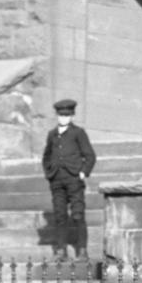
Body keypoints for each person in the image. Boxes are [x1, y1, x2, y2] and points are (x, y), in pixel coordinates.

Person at [39, 98, 97, 258]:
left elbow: (90, 155)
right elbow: (46, 156)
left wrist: (83, 172)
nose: (63, 118)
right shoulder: (52, 134)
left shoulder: (78, 133)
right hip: (57, 180)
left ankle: (82, 249)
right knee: (60, 215)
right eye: (61, 115)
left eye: (67, 115)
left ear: (72, 116)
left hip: (74, 179)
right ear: (57, 116)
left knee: (78, 214)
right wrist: (49, 173)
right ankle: (61, 250)